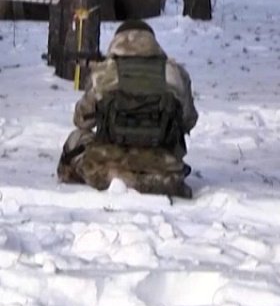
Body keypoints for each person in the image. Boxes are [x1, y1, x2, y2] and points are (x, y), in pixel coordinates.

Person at [57, 19, 198, 198]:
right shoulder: (175, 73)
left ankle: (72, 176)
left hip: (107, 169)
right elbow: (188, 121)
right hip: (164, 172)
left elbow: (81, 120)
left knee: (76, 139)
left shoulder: (103, 73)